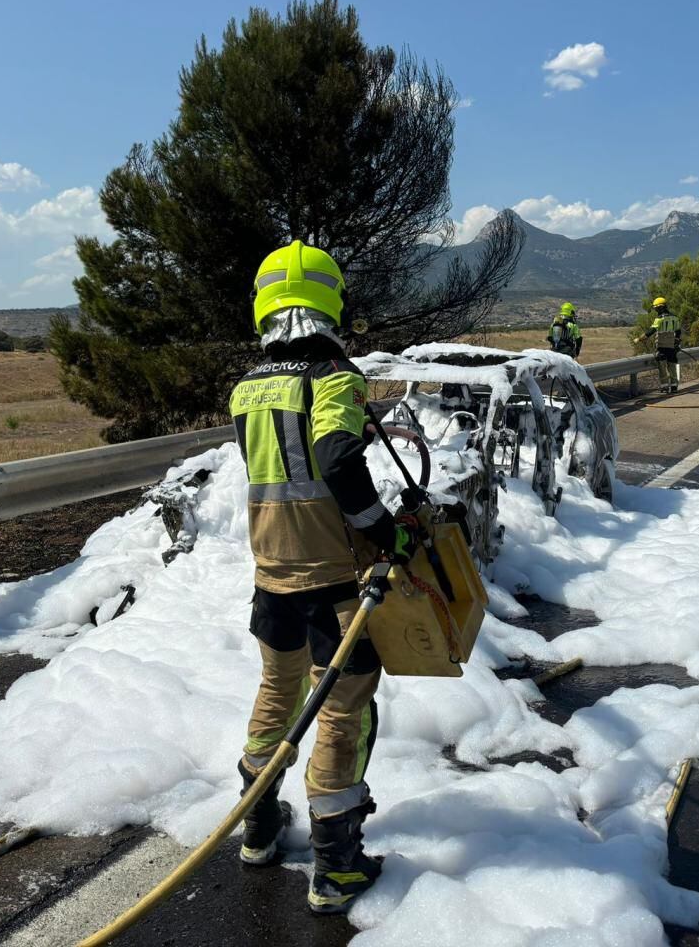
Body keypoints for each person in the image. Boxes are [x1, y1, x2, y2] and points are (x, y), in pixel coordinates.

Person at [228, 240, 420, 915]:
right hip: (333, 588)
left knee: (275, 701)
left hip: (270, 581)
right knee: (341, 711)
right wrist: (383, 530)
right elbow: (337, 460)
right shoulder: (335, 378)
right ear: (329, 299)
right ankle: (336, 869)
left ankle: (258, 830)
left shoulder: (249, 385)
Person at [643, 296, 682, 392]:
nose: (656, 310)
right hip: (672, 347)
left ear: (660, 308)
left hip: (661, 347)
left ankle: (664, 387)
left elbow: (652, 330)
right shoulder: (674, 317)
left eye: (656, 308)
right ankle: (674, 386)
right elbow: (678, 331)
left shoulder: (659, 319)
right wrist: (676, 341)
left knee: (662, 367)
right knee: (672, 366)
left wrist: (641, 338)